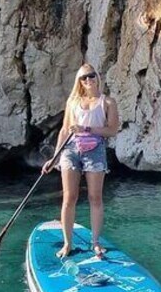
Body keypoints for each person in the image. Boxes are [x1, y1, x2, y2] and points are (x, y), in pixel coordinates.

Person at [43, 64, 119, 259]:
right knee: (69, 197)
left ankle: (95, 243)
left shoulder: (107, 102)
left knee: (95, 197)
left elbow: (112, 130)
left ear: (97, 77)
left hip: (95, 151)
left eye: (91, 76)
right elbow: (64, 130)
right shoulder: (73, 101)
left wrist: (86, 129)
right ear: (79, 81)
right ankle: (68, 244)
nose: (88, 80)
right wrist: (54, 157)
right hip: (71, 150)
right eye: (83, 78)